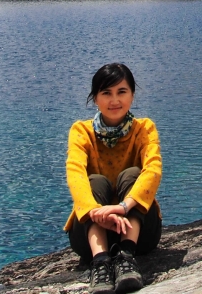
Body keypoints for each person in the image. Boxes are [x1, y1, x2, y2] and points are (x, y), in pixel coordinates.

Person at [64, 63, 162, 294]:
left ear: (132, 95)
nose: (114, 100)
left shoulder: (144, 129)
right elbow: (75, 173)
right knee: (95, 180)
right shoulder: (81, 131)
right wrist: (94, 212)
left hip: (140, 235)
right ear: (95, 98)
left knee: (133, 175)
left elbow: (153, 170)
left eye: (121, 92)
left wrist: (121, 208)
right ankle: (100, 262)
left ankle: (126, 256)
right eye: (106, 93)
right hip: (90, 233)